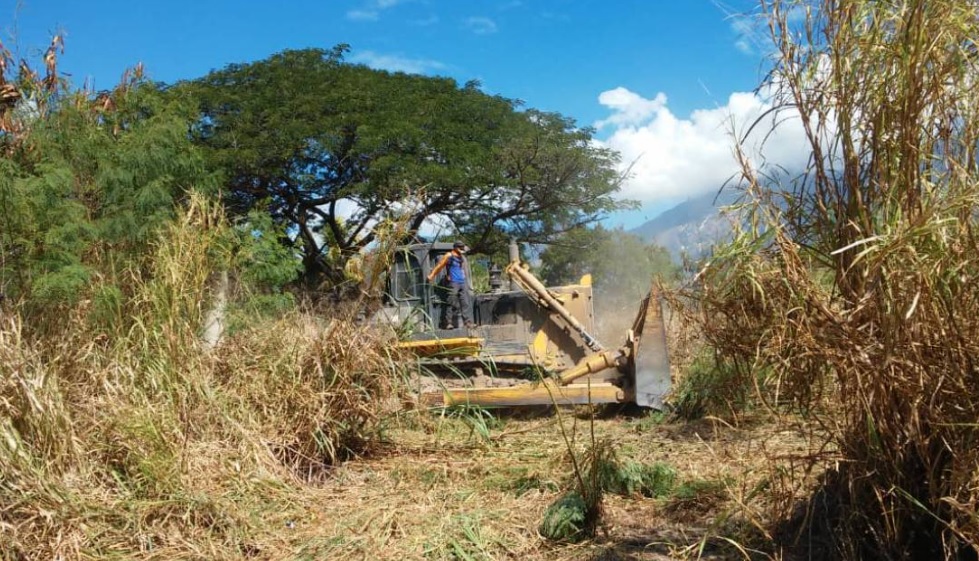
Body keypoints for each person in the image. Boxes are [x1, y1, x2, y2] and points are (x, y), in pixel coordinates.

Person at [427, 241, 474, 329]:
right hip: (453, 282)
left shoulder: (461, 257)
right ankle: (448, 323)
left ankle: (468, 322)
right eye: (460, 248)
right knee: (451, 302)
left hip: (462, 282)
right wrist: (432, 275)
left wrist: (463, 276)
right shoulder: (449, 255)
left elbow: (460, 268)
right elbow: (440, 266)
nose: (462, 249)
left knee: (465, 303)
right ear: (456, 248)